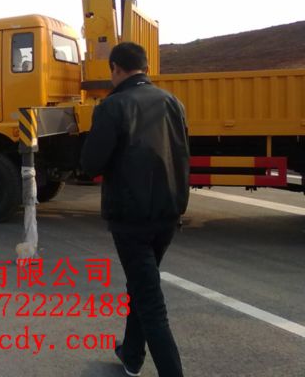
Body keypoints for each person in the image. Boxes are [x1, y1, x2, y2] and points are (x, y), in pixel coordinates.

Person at [80, 42, 190, 377]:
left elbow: (90, 164)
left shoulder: (113, 107)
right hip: (168, 213)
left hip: (131, 218)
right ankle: (131, 355)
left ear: (115, 68)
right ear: (145, 67)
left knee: (151, 303)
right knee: (141, 286)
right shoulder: (173, 102)